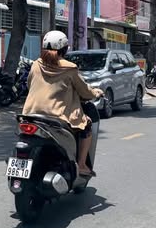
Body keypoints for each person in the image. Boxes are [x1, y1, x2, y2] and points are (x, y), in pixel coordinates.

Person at [22, 30, 103, 177]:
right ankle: (82, 165)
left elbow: (29, 85)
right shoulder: (69, 68)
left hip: (31, 113)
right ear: (64, 49)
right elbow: (84, 91)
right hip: (57, 117)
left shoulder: (35, 65)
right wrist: (96, 92)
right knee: (87, 125)